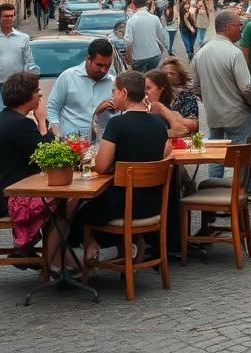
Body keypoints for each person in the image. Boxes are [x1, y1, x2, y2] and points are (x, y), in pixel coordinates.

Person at [75, 70, 172, 262]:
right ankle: (130, 244)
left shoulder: (117, 124)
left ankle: (96, 248)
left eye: (114, 92)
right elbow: (160, 154)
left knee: (79, 212)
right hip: (153, 204)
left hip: (122, 204)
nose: (112, 96)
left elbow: (101, 166)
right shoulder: (159, 123)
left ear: (124, 93)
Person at [0, 71, 72, 268]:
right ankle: (53, 260)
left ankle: (31, 251)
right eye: (37, 91)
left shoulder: (10, 119)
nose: (40, 95)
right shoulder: (18, 123)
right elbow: (47, 155)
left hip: (9, 191)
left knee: (65, 201)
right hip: (9, 198)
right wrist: (42, 121)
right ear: (26, 97)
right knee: (70, 201)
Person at [191, 10, 251, 192]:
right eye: (239, 26)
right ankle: (241, 192)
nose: (241, 30)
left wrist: (208, 101)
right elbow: (246, 87)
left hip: (214, 113)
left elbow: (195, 86)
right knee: (240, 156)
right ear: (228, 28)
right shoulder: (234, 53)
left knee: (215, 154)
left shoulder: (201, 53)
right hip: (237, 113)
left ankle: (214, 191)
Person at [0, 3, 39, 126]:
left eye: (11, 16)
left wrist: (31, 82)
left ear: (15, 17)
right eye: (5, 16)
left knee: (17, 115)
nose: (8, 19)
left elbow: (29, 62)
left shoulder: (23, 38)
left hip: (17, 86)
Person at [46, 38, 115, 138]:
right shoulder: (68, 77)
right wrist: (57, 133)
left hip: (102, 144)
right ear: (88, 59)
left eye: (107, 65)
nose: (104, 70)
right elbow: (53, 107)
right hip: (70, 142)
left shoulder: (114, 83)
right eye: (99, 65)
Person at [144, 61, 199, 137]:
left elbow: (192, 125)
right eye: (165, 74)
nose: (168, 76)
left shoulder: (184, 95)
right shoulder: (142, 103)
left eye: (172, 74)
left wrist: (164, 111)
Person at [125, 0, 169, 73]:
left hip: (139, 57)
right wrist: (164, 48)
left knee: (140, 81)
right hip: (154, 54)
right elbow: (161, 36)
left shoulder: (131, 21)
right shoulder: (154, 18)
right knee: (151, 79)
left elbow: (129, 42)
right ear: (145, 4)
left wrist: (128, 56)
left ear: (133, 6)